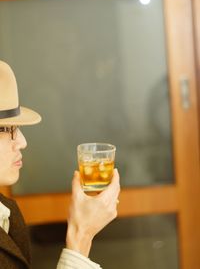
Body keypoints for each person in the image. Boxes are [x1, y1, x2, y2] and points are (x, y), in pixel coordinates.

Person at [0, 60, 120, 269]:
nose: (22, 142)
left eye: (17, 127)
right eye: (4, 130)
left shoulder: (7, 213)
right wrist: (80, 234)